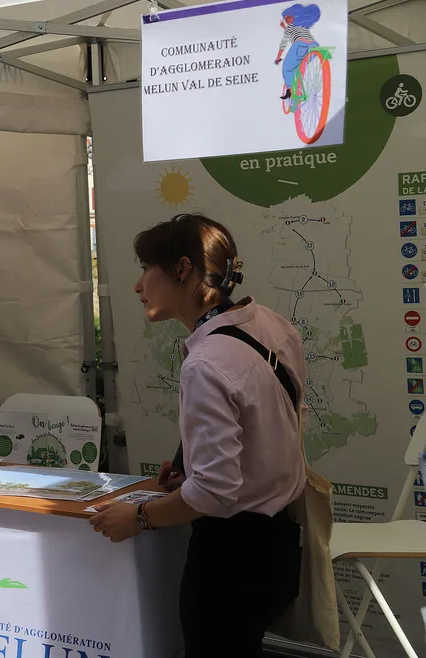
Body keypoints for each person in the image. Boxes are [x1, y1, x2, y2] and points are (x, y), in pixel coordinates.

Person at [88, 213, 306, 657]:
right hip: (278, 545)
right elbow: (273, 426)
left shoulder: (207, 362)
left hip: (230, 561)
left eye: (146, 269)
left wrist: (138, 517)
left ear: (182, 269)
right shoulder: (271, 324)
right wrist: (191, 473)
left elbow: (214, 493)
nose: (138, 286)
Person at [274, 4, 321, 102]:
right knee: (300, 67)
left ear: (295, 16)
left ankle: (290, 93)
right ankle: (299, 89)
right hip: (314, 47)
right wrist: (284, 27)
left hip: (300, 47)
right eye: (285, 19)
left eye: (288, 17)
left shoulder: (289, 28)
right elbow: (293, 33)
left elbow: (283, 44)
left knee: (287, 68)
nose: (287, 20)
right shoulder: (303, 26)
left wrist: (277, 58)